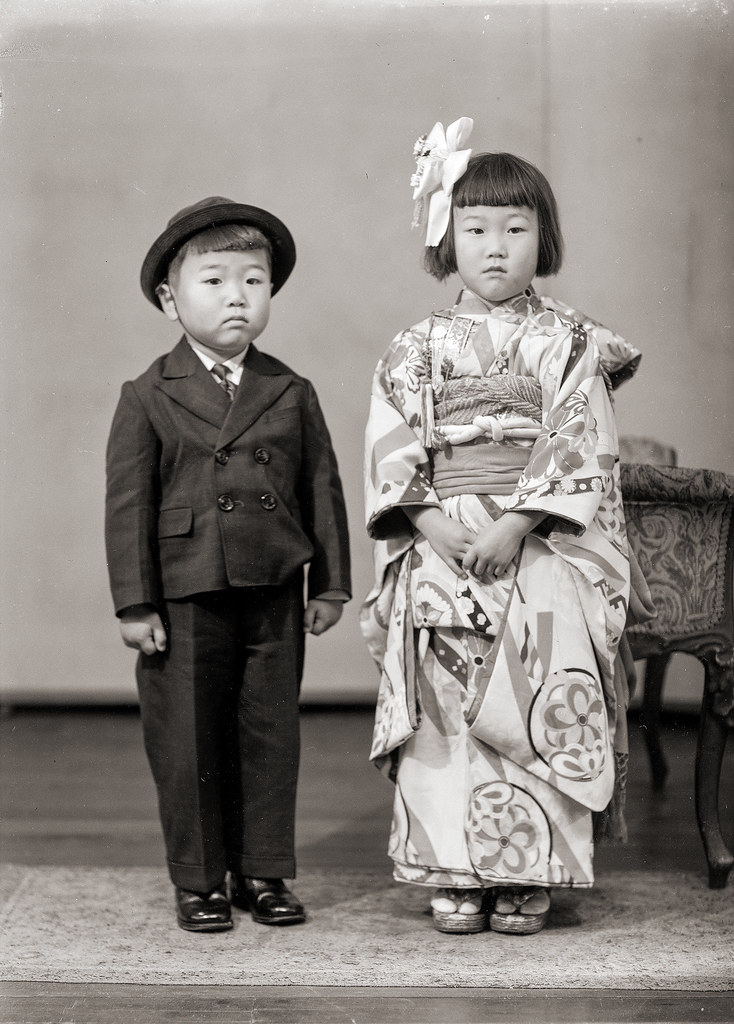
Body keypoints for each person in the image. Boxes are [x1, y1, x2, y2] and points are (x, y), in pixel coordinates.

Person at [361, 119, 650, 935]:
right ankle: (453, 869)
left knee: (535, 698)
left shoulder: (570, 342)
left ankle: (530, 874)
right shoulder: (415, 347)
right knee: (449, 704)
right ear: (444, 239)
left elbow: (581, 441)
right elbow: (392, 444)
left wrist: (520, 522)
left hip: (542, 543)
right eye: (475, 228)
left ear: (542, 238)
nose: (495, 247)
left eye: (515, 229)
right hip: (440, 540)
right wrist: (425, 520)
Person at [105, 196, 351, 932]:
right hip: (184, 592)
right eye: (214, 281)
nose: (237, 296)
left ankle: (265, 872)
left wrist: (331, 582)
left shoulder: (289, 389)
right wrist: (134, 604)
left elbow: (322, 489)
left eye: (254, 280)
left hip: (273, 586)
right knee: (188, 740)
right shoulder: (148, 394)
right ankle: (199, 880)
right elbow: (127, 507)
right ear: (168, 299)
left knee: (270, 735)